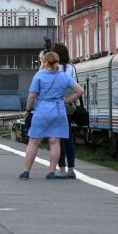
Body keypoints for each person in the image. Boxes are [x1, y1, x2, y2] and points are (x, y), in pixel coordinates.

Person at [19, 51, 83, 180]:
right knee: (55, 142)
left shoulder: (39, 76)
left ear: (45, 62)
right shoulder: (64, 76)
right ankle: (52, 172)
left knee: (34, 142)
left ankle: (26, 171)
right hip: (58, 111)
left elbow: (32, 96)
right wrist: (66, 100)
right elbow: (80, 90)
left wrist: (28, 109)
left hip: (42, 111)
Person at [52, 42, 78, 179]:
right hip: (69, 107)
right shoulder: (71, 68)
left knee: (58, 138)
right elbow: (75, 87)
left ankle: (61, 169)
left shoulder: (53, 69)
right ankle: (71, 169)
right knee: (69, 138)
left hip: (56, 106)